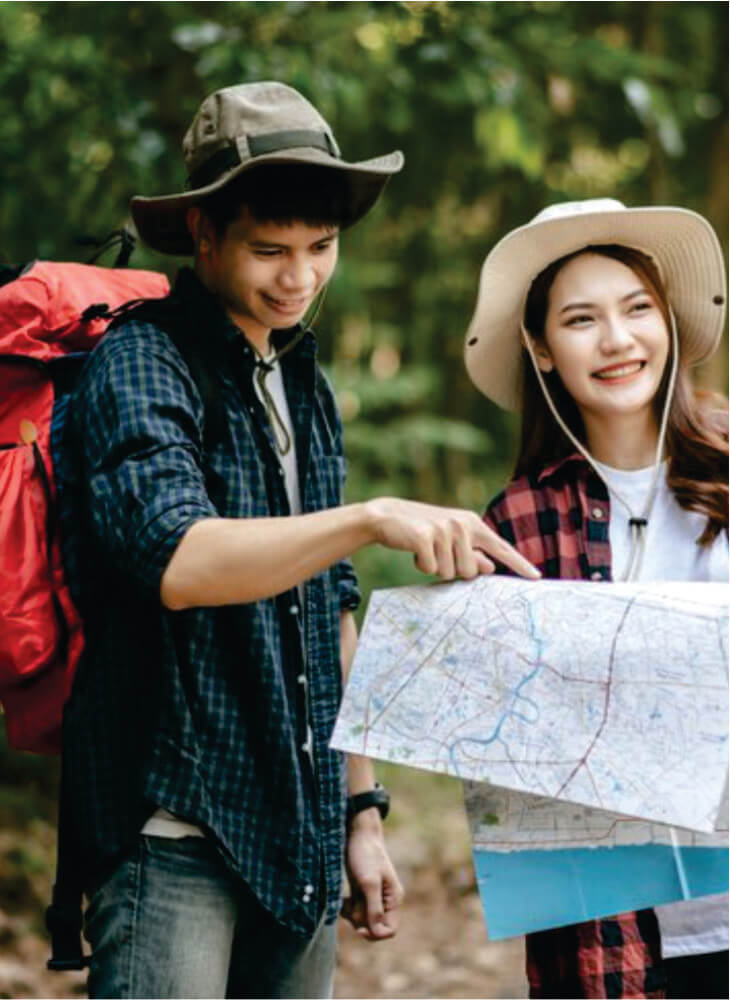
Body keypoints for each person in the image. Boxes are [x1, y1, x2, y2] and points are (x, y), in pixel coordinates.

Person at [60, 81, 538, 1000]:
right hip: (172, 834)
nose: (299, 279)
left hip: (304, 829)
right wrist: (370, 516)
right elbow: (177, 560)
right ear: (202, 234)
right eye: (270, 251)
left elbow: (331, 606)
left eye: (321, 251)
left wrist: (360, 812)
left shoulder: (303, 381)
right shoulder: (142, 360)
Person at [464, 198, 728, 999]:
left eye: (638, 309)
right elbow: (501, 756)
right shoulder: (516, 526)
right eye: (582, 320)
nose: (617, 340)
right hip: (613, 931)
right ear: (542, 350)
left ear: (669, 324)